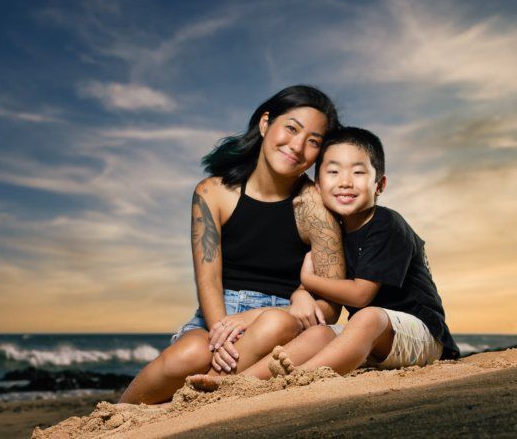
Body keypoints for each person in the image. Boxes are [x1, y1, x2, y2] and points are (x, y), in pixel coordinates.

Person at [119, 85, 346, 404]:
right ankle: (113, 417)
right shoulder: (212, 192)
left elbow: (332, 305)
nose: (297, 146)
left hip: (281, 326)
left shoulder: (315, 208)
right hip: (217, 316)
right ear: (266, 123)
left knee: (274, 323)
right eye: (291, 128)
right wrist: (220, 334)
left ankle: (193, 404)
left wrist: (296, 304)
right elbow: (208, 279)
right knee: (190, 353)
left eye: (313, 142)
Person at [187, 127, 460, 392]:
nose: (345, 181)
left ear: (380, 185)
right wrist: (302, 293)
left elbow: (360, 295)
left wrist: (309, 280)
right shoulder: (334, 232)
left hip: (423, 335)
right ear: (318, 186)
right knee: (319, 334)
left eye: (358, 172)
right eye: (333, 172)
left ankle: (297, 380)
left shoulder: (386, 224)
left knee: (367, 317)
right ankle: (240, 383)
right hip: (373, 341)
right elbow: (328, 284)